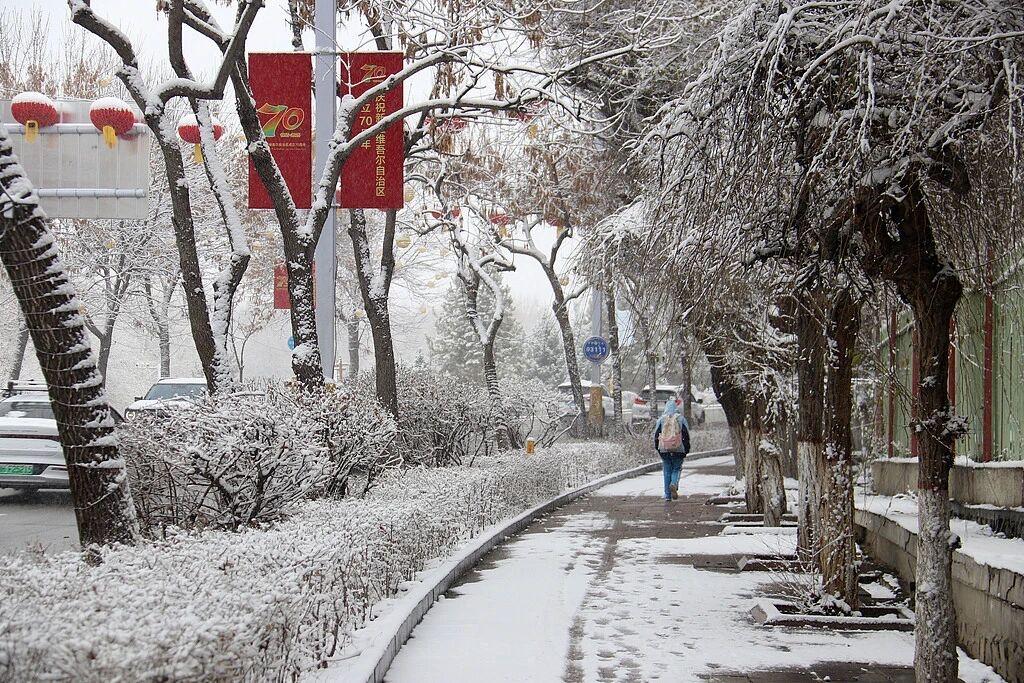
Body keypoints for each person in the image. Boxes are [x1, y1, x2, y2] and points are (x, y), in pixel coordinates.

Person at [653, 396, 691, 500]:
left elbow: (656, 435)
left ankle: (667, 495)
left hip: (664, 449)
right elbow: (686, 435)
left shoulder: (661, 420)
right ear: (676, 407)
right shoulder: (681, 419)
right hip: (678, 448)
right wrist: (686, 449)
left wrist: (658, 448)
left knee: (667, 471)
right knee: (676, 468)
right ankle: (673, 484)